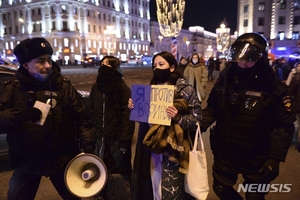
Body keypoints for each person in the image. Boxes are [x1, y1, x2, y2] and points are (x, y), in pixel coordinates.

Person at [201, 33, 295, 200]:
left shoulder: (274, 87)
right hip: (226, 150)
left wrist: (274, 159)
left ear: (261, 59)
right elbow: (212, 109)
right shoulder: (225, 79)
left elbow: (284, 126)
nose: (243, 64)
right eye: (240, 60)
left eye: (249, 60)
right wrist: (197, 125)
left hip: (258, 155)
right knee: (221, 188)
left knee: (255, 195)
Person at [0, 37, 96, 200]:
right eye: (41, 61)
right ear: (25, 65)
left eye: (49, 60)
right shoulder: (13, 87)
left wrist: (88, 148)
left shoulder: (62, 86)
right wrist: (20, 115)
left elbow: (83, 118)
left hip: (61, 160)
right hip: (27, 162)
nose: (48, 66)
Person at [128, 51, 202, 200]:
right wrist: (135, 108)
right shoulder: (152, 88)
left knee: (171, 191)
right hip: (152, 147)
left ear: (172, 67)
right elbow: (147, 119)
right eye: (154, 65)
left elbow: (197, 121)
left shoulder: (185, 90)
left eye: (161, 64)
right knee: (153, 187)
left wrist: (179, 117)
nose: (157, 68)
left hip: (173, 150)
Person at [88, 55, 135, 199]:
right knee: (100, 170)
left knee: (119, 173)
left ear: (114, 68)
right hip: (99, 138)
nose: (103, 67)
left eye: (106, 65)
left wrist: (124, 142)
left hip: (116, 140)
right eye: (102, 64)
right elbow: (90, 110)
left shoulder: (122, 87)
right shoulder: (96, 87)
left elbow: (127, 117)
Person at [288, 62, 300, 151]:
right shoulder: (296, 77)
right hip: (297, 105)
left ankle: (294, 142)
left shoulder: (297, 77)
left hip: (297, 105)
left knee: (296, 125)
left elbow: (290, 92)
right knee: (296, 125)